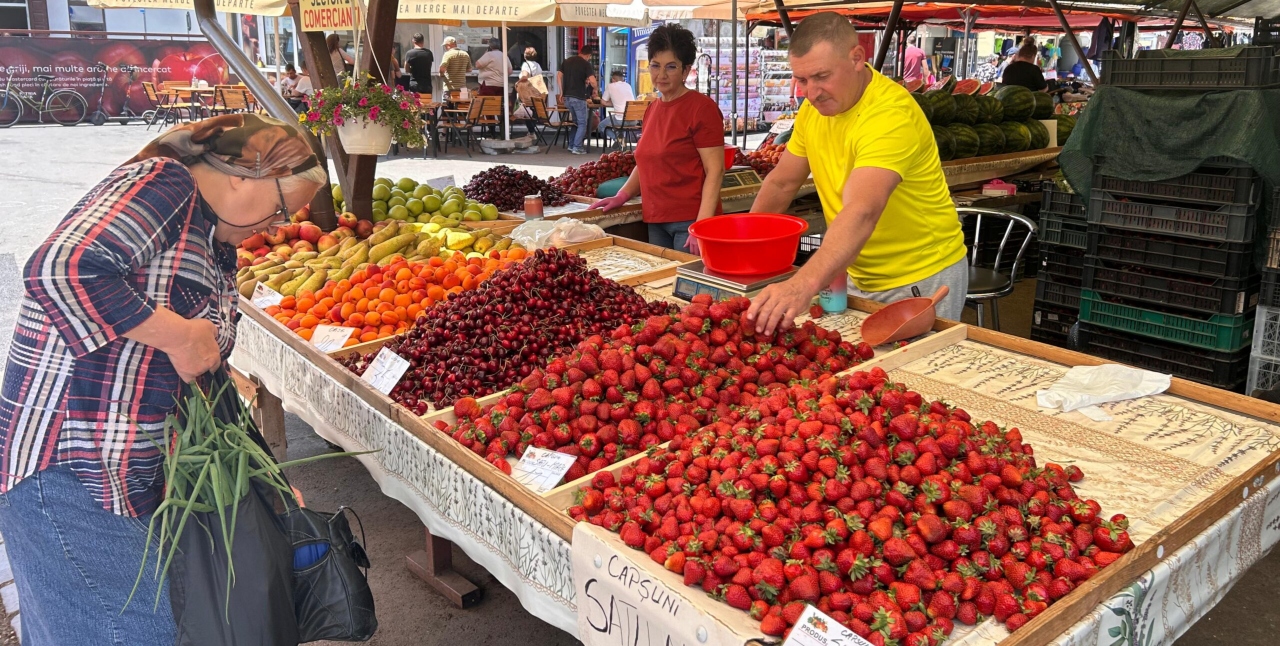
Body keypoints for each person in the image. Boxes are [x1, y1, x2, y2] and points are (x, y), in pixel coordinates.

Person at [0, 113, 327, 645]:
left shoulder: (214, 239)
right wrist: (175, 334)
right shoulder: (167, 183)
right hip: (69, 470)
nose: (280, 225)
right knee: (124, 629)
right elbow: (59, 268)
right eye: (283, 207)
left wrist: (265, 472)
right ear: (244, 174)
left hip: (122, 472)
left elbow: (205, 373)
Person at [744, 12, 968, 335]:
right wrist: (743, 247)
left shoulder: (889, 115)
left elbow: (862, 211)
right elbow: (781, 182)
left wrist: (801, 285)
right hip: (857, 274)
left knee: (913, 379)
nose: (811, 92)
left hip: (920, 277)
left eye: (821, 76)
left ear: (857, 58)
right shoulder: (812, 111)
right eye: (802, 80)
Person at [588, 24, 724, 252]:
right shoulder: (652, 108)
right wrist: (622, 195)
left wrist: (702, 225)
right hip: (656, 218)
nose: (661, 75)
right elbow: (646, 162)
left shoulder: (702, 108)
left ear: (686, 70)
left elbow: (715, 170)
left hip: (689, 222)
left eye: (671, 67)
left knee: (687, 286)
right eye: (655, 66)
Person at [557, 44, 598, 155]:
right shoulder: (586, 64)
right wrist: (595, 89)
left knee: (575, 122)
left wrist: (561, 92)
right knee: (582, 123)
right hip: (578, 97)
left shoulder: (567, 61)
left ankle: (571, 145)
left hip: (567, 98)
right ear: (588, 55)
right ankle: (577, 147)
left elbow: (559, 76)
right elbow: (593, 81)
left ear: (580, 51)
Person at [598, 70, 637, 142]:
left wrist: (612, 103)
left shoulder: (610, 86)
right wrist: (616, 102)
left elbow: (603, 102)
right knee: (619, 124)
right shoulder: (628, 85)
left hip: (621, 120)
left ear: (613, 79)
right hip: (634, 120)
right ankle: (621, 142)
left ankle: (617, 139)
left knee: (601, 126)